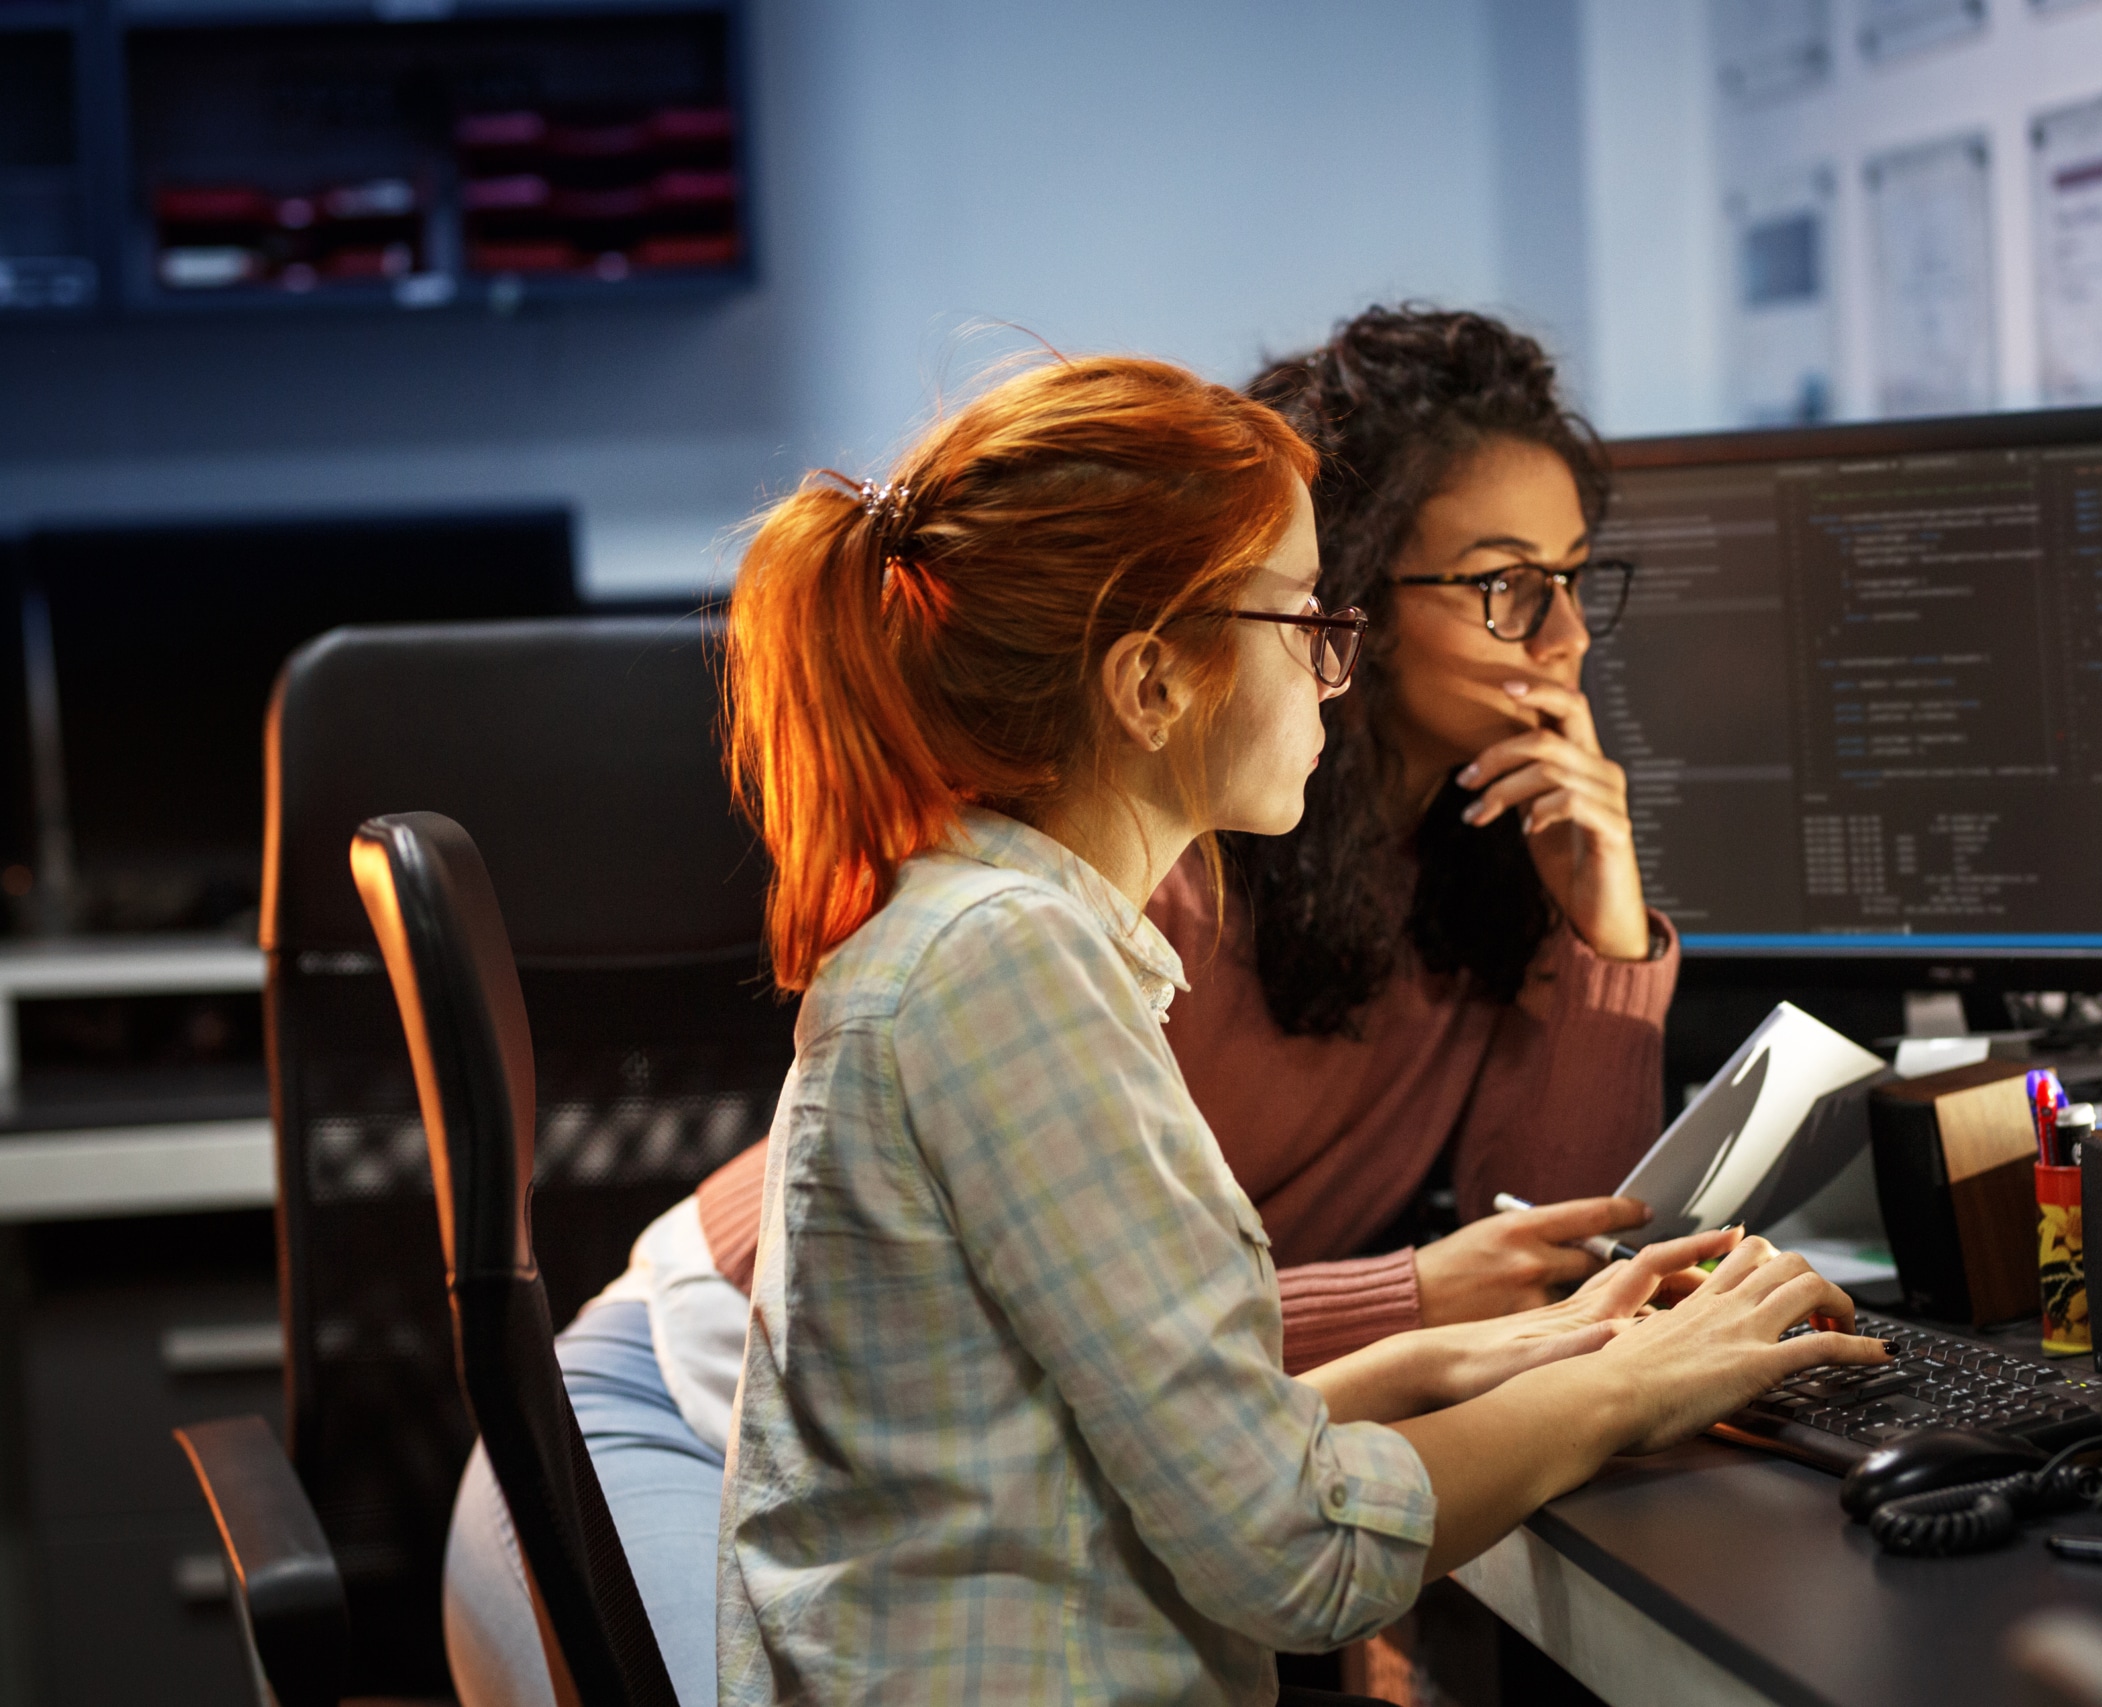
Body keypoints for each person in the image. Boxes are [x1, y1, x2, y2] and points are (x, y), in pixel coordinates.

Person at [442, 307, 1691, 1705]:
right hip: (680, 1399)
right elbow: (1228, 1473)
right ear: (1160, 676)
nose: (1568, 637)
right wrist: (1457, 1331)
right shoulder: (1074, 917)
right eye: (1505, 583)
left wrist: (1603, 941)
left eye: (1579, 578)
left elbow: (1533, 1252)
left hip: (963, 1491)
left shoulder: (1328, 879)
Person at [710, 351, 1883, 1702]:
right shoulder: (1010, 968)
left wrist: (1454, 1355)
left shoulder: (1007, 933)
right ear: (1152, 686)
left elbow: (1056, 1445)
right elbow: (1295, 1551)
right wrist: (1633, 1389)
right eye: (1304, 625)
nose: (1337, 669)